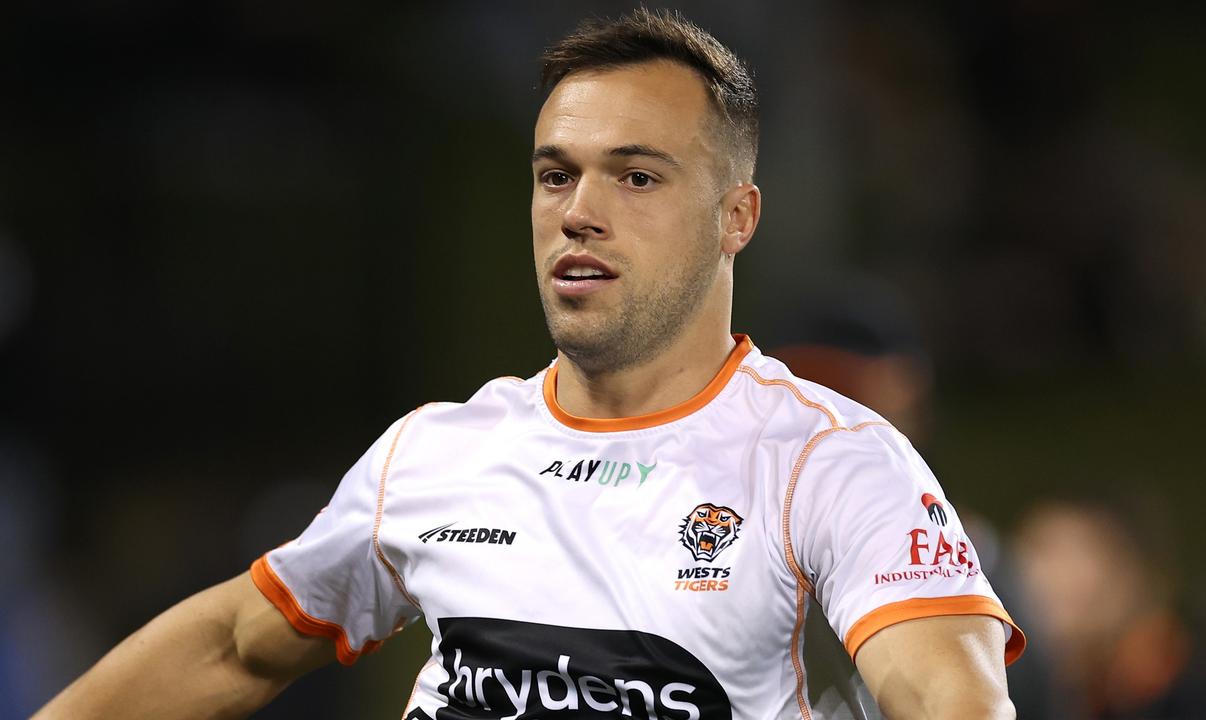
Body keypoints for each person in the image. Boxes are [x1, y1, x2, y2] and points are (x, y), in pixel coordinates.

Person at [36, 9, 1024, 719]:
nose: (577, 209)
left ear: (735, 217)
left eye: (634, 175)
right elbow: (233, 646)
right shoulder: (434, 454)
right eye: (556, 173)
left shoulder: (830, 460)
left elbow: (947, 693)